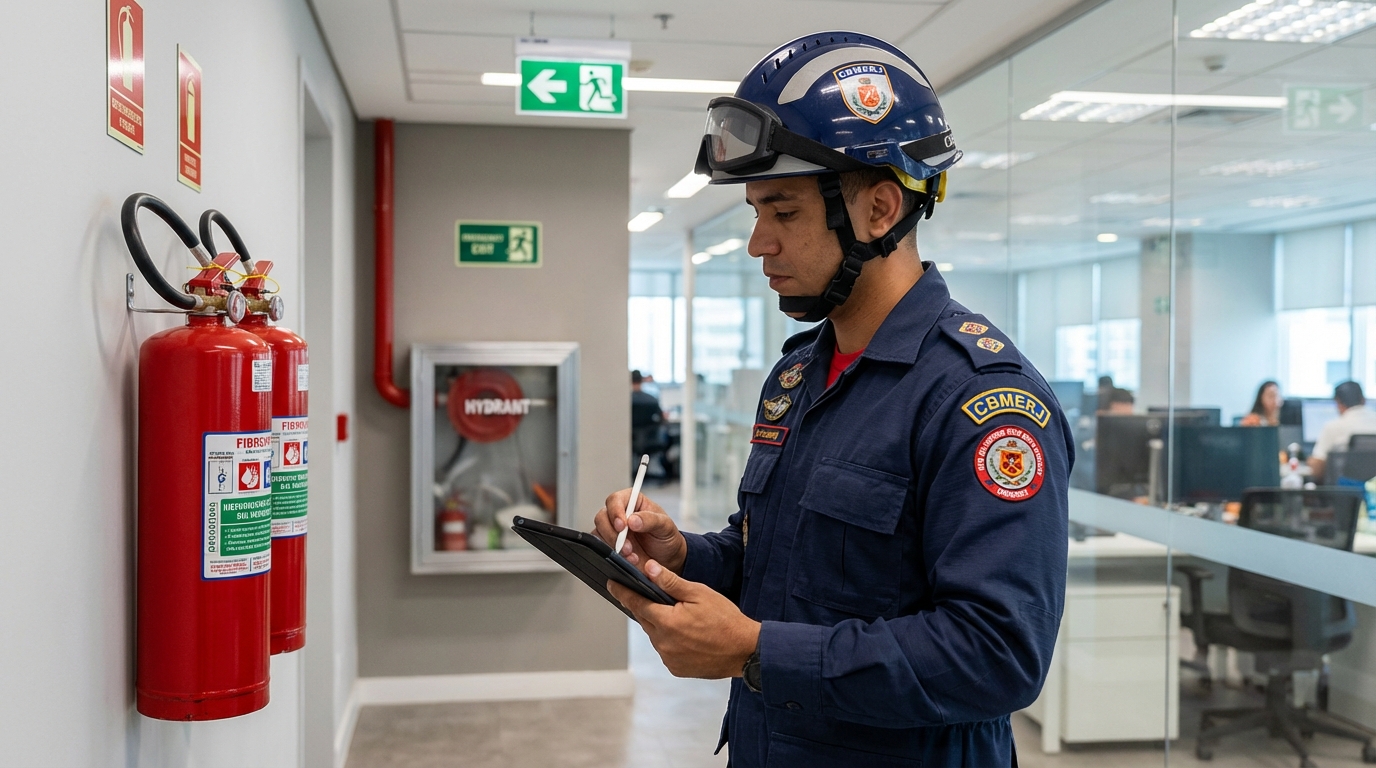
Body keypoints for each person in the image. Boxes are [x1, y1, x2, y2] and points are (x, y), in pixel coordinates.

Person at [593, 32, 1072, 767]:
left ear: (880, 209)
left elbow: (998, 655)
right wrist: (686, 554)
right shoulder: (799, 379)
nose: (759, 243)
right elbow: (777, 566)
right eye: (756, 211)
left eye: (783, 213)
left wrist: (756, 649)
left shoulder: (981, 400)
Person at [1309, 381, 1376, 480]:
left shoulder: (1333, 426)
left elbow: (1317, 468)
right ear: (1363, 400)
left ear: (1338, 403)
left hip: (1345, 491)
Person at [630, 370, 665, 476]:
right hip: (650, 438)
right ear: (642, 381)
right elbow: (662, 418)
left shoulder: (626, 400)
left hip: (631, 439)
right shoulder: (651, 400)